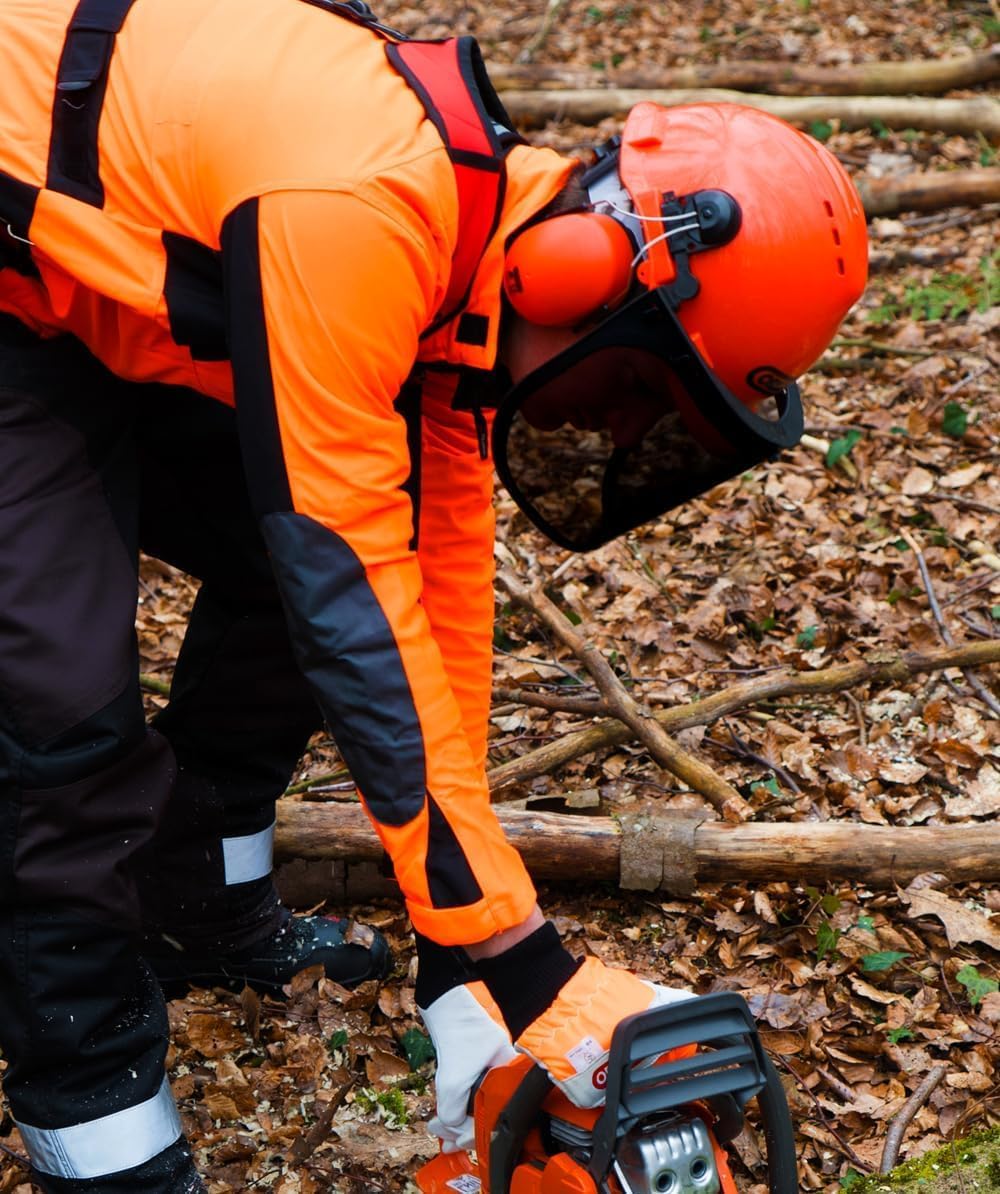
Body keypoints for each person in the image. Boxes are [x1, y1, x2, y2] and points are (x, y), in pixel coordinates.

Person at [0, 0, 868, 1189]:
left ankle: (193, 895)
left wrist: (458, 938)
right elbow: (345, 584)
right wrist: (521, 959)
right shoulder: (357, 204)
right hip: (18, 293)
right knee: (59, 700)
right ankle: (96, 1124)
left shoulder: (463, 267)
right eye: (631, 390)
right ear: (583, 272)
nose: (611, 424)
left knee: (304, 560)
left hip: (87, 296)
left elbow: (433, 593)